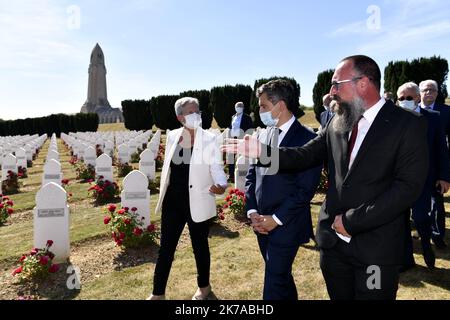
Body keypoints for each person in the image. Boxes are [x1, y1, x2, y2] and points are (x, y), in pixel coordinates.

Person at [222, 55, 429, 300]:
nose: (331, 92)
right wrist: (263, 152)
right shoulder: (337, 122)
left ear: (362, 82)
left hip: (376, 250)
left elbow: (407, 188)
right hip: (333, 249)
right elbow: (305, 155)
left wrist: (351, 221)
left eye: (336, 84)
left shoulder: (407, 124)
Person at [245, 79, 321, 300]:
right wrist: (252, 212)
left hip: (287, 223)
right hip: (260, 222)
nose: (259, 111)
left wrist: (275, 219)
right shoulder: (263, 134)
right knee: (281, 276)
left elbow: (305, 190)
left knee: (274, 281)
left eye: (263, 106)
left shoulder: (308, 140)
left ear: (280, 105)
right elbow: (252, 175)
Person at [148, 97, 228, 300]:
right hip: (173, 202)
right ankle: (158, 294)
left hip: (198, 200)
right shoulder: (173, 135)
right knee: (166, 248)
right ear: (180, 117)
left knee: (200, 246)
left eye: (198, 110)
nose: (197, 114)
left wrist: (221, 185)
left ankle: (204, 288)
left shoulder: (209, 139)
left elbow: (216, 168)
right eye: (192, 112)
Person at [396, 82, 450, 271]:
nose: (404, 101)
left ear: (418, 98)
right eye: (401, 98)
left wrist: (444, 176)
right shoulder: (392, 119)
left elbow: (441, 150)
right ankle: (406, 259)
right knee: (401, 221)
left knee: (421, 217)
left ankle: (426, 245)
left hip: (424, 179)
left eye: (409, 98)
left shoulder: (433, 118)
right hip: (398, 181)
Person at [419, 80, 450, 249]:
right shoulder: (409, 110)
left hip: (436, 166)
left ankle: (438, 235)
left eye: (432, 90)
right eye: (425, 90)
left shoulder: (446, 112)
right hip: (413, 167)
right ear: (420, 92)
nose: (429, 92)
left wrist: (445, 174)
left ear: (437, 93)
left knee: (436, 203)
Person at [228, 102, 254, 182]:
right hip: (233, 139)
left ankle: (243, 174)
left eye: (240, 106)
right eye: (237, 106)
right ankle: (231, 175)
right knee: (231, 156)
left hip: (241, 138)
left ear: (243, 108)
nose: (238, 108)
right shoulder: (233, 117)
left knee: (242, 157)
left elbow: (250, 129)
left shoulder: (247, 117)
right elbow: (231, 126)